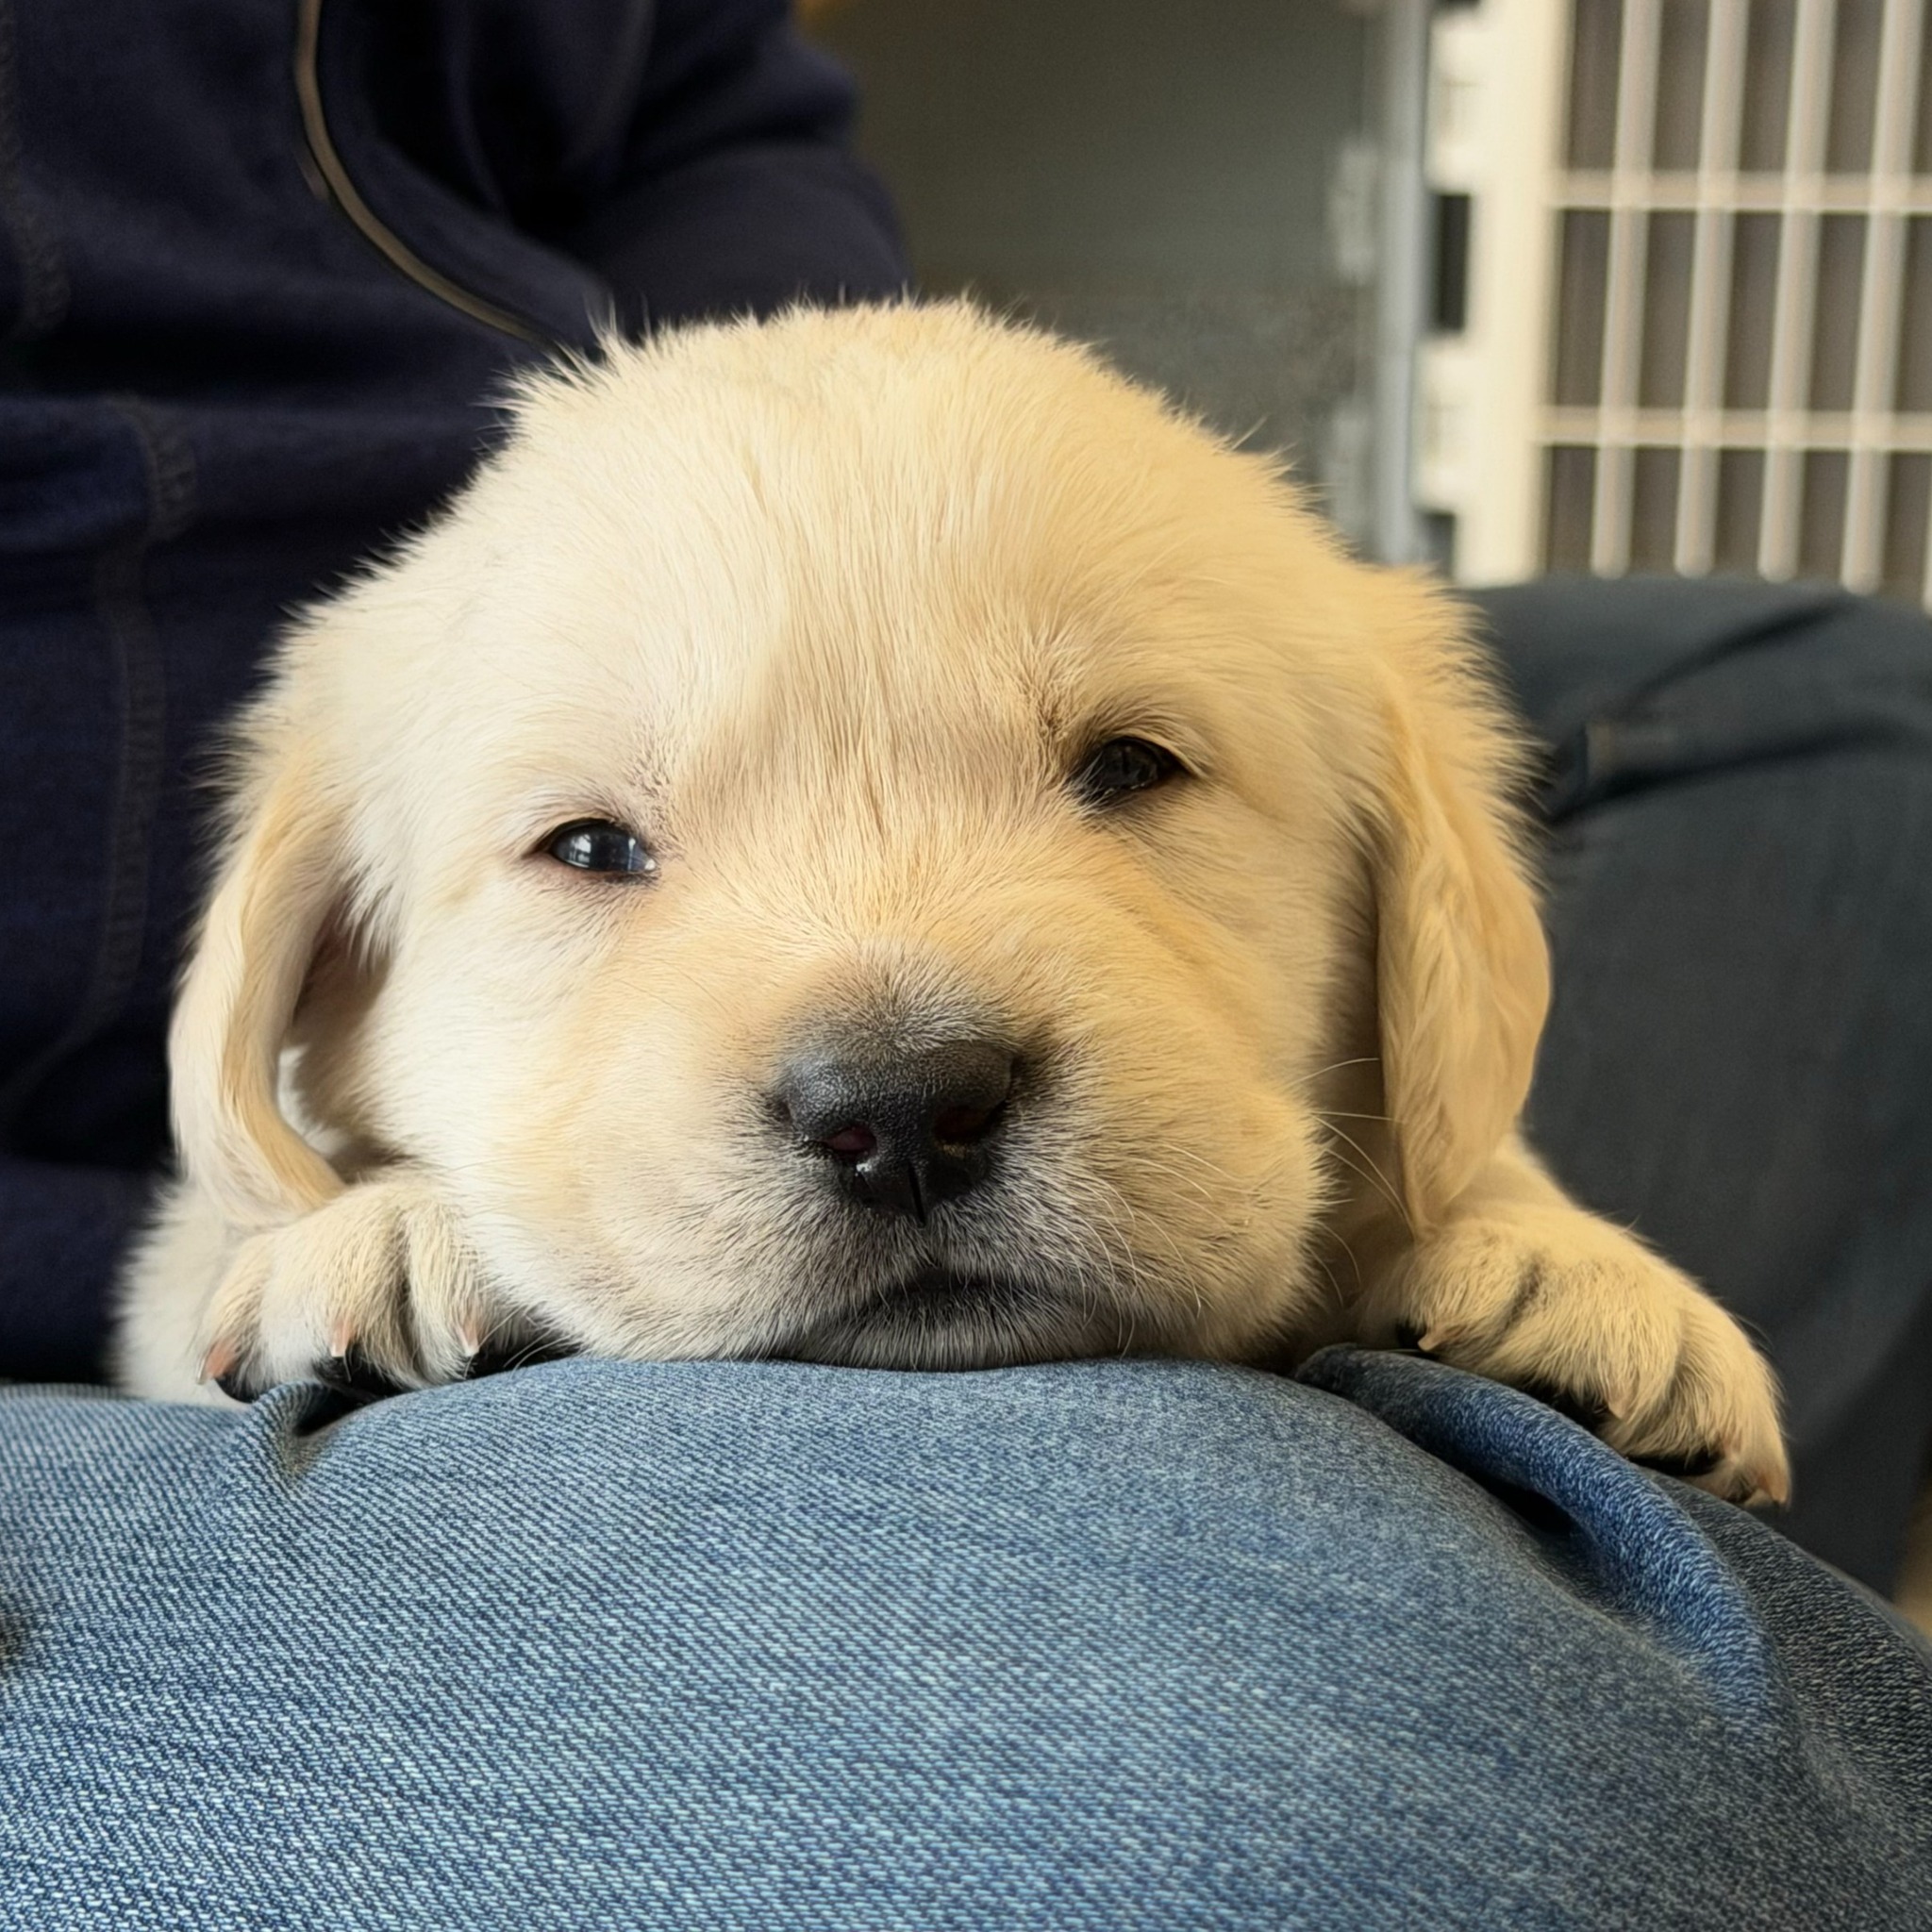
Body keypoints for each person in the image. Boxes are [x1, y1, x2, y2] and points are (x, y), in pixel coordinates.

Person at [0, 6, 1927, 1924]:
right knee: (1438, 1796)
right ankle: (1543, 1586)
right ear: (300, 981)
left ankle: (1509, 1543)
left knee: (1855, 743)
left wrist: (834, 482)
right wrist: (339, 1219)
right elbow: (225, 1281)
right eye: (595, 847)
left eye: (1122, 766)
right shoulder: (369, 756)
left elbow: (702, 108)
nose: (895, 1062)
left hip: (616, 482)